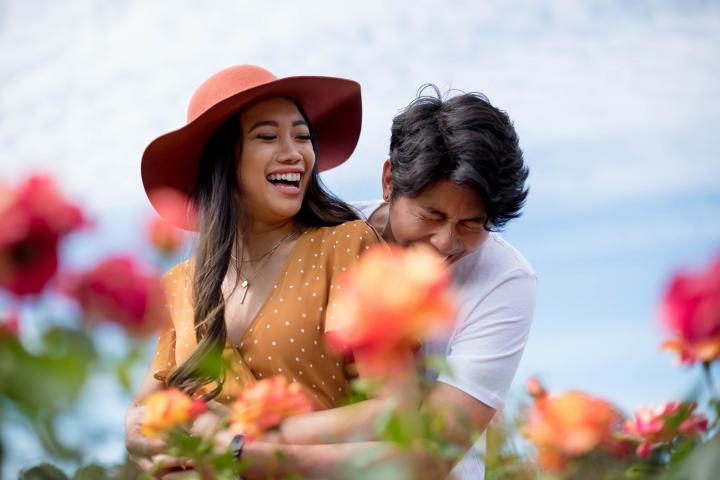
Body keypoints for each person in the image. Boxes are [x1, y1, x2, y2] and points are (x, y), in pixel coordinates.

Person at [232, 86, 537, 480]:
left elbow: (432, 455)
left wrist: (258, 452)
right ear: (390, 180)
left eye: (471, 224)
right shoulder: (330, 235)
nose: (445, 243)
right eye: (431, 215)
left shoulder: (505, 281)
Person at [124, 64, 393, 476]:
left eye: (303, 137)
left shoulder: (346, 246)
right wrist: (140, 434)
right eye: (267, 136)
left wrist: (242, 443)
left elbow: (392, 411)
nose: (294, 153)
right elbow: (144, 411)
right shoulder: (179, 285)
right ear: (222, 161)